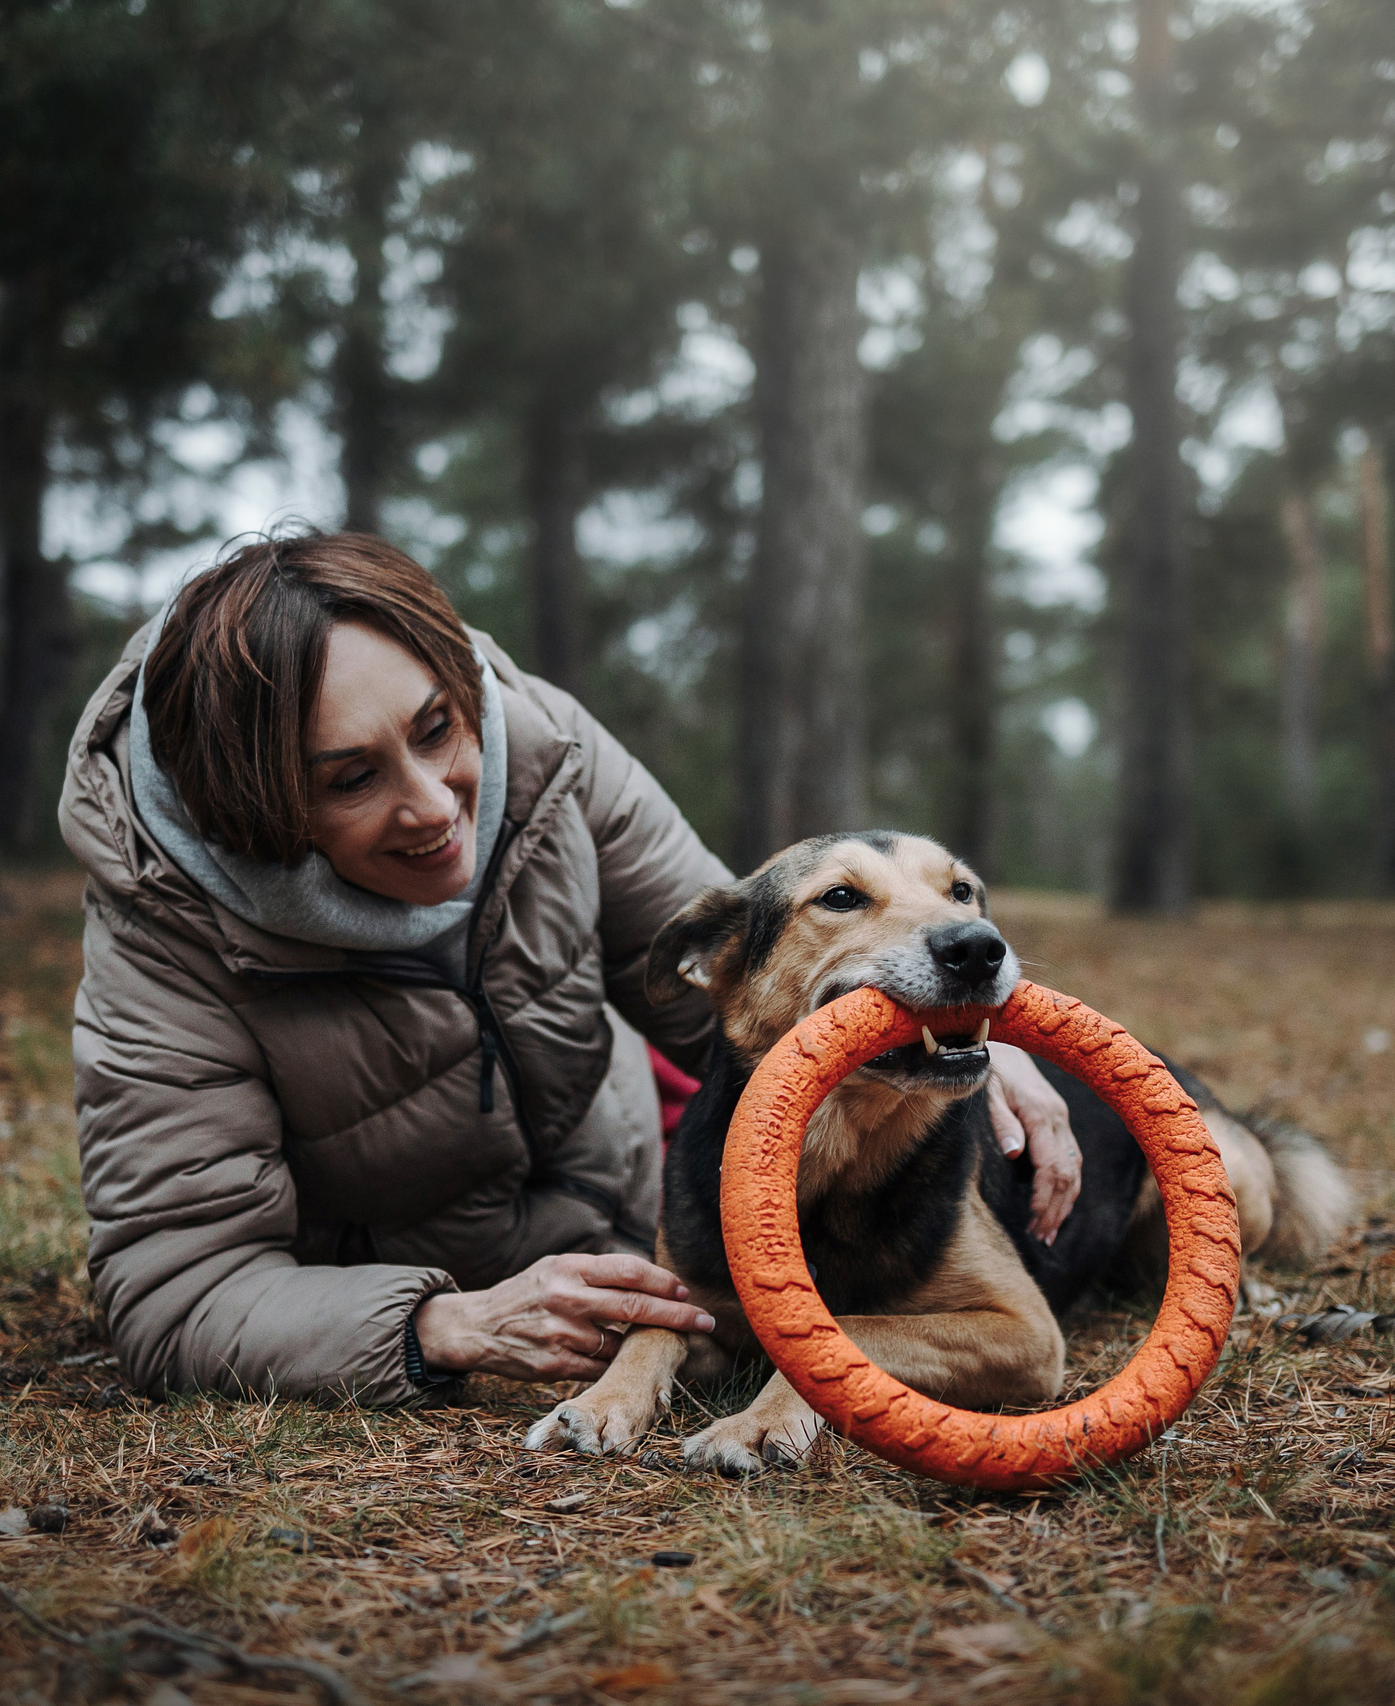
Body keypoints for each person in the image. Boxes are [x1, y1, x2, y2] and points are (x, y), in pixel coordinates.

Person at [60, 530, 1084, 1403]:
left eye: (435, 728)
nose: (432, 805)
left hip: (633, 1208)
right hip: (397, 1269)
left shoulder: (545, 755)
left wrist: (942, 1027)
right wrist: (445, 1323)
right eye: (352, 778)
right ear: (255, 808)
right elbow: (177, 1293)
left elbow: (744, 981)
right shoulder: (167, 934)